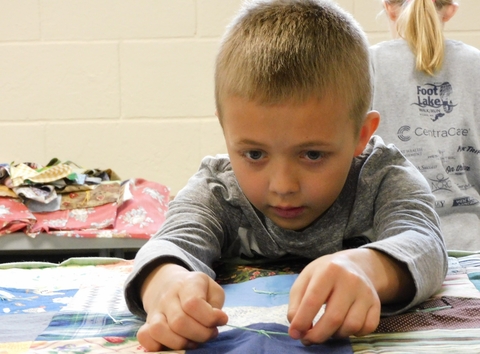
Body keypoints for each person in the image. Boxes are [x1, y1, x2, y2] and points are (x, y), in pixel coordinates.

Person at [124, 0, 448, 351]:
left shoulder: (384, 177)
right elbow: (169, 243)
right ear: (224, 126)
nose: (282, 187)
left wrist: (369, 268)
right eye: (254, 154)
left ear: (361, 135)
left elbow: (426, 243)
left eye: (312, 154)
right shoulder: (218, 189)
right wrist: (165, 285)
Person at [371, 0, 480, 250]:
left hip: (391, 246)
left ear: (389, 7)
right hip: (470, 244)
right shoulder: (476, 63)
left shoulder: (367, 63)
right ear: (451, 11)